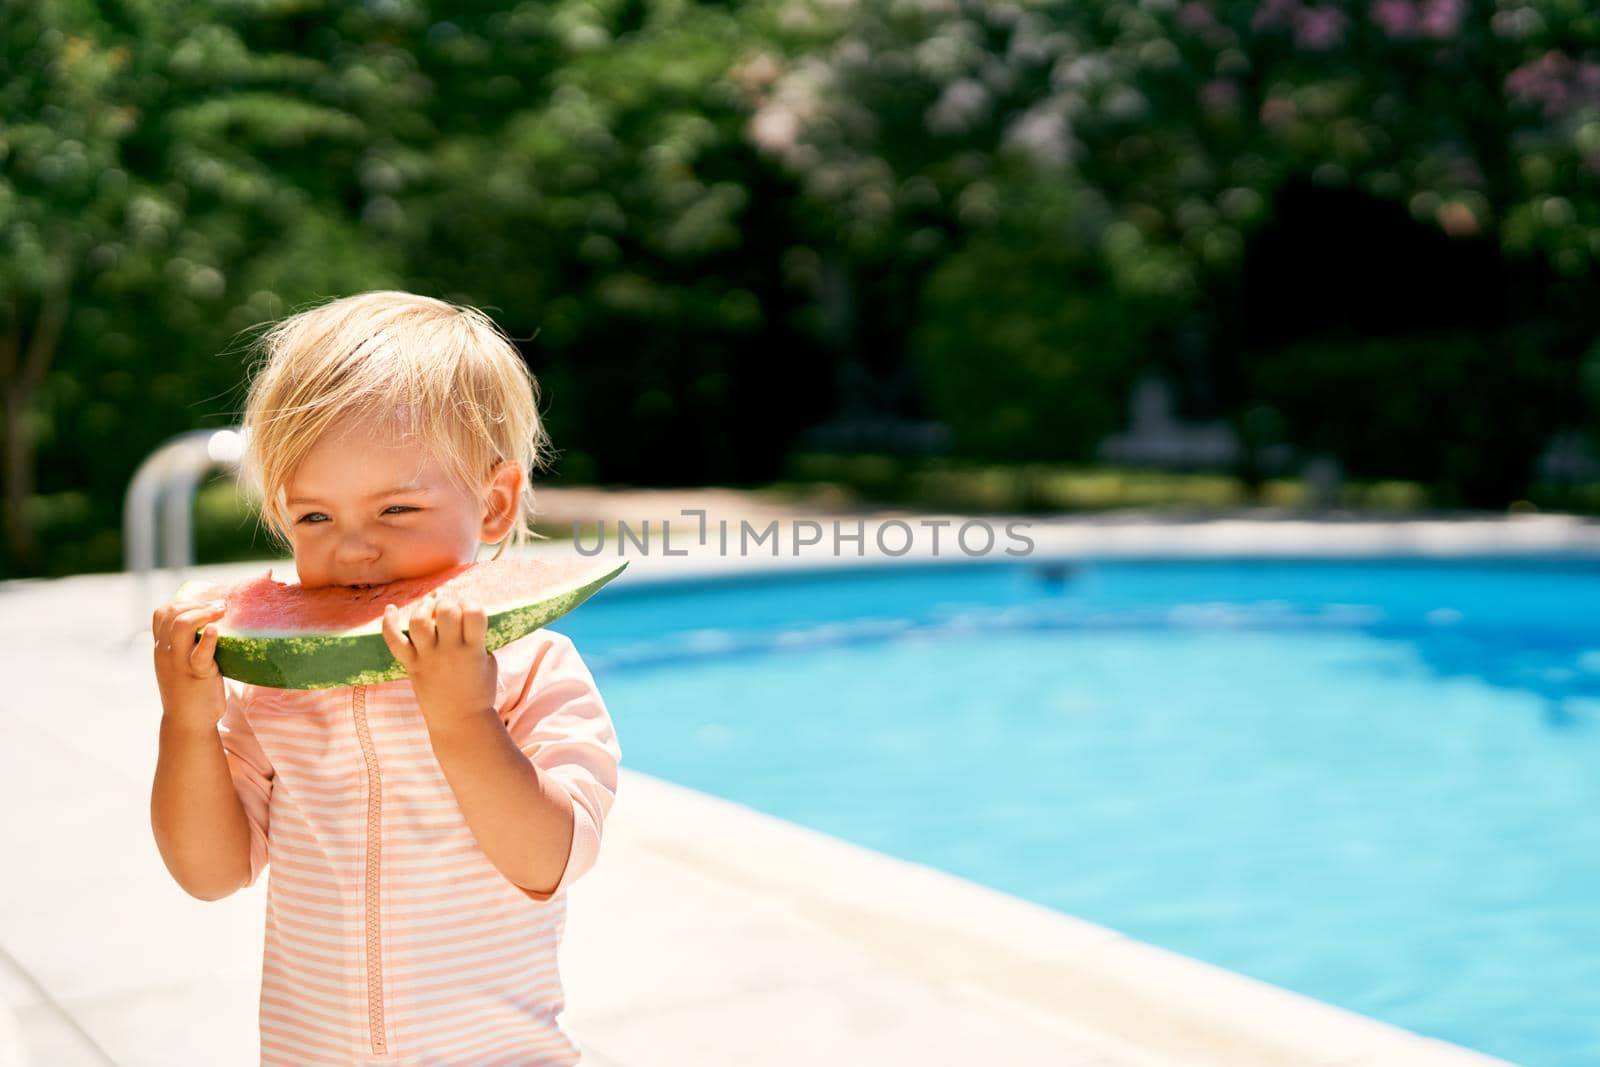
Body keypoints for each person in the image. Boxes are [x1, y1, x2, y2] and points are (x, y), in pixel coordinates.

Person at [149, 290, 622, 1066]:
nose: (354, 550)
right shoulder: (276, 690)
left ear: (495, 503)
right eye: (314, 518)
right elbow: (210, 872)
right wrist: (188, 724)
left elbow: (549, 859)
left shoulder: (537, 669)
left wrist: (466, 718)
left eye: (396, 508)